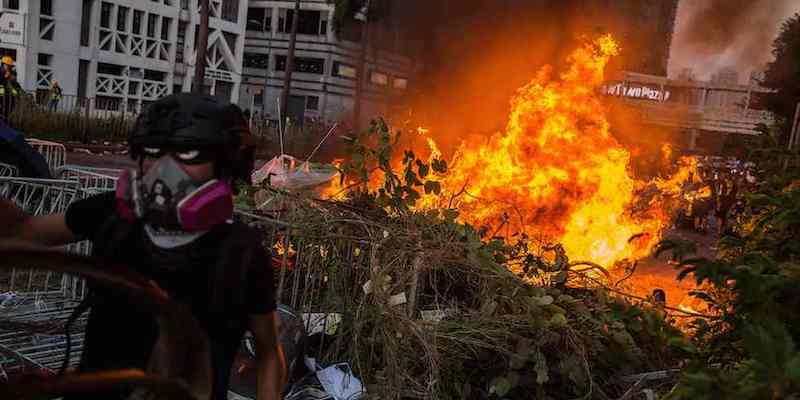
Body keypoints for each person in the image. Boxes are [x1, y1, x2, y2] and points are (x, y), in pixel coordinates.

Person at [0, 93, 286, 400]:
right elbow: (26, 230)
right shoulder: (111, 215)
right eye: (153, 150)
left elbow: (269, 352)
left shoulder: (241, 252)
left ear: (226, 165)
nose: (164, 169)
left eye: (188, 154)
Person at [0, 56, 19, 124]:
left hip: (10, 96)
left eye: (10, 66)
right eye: (8, 65)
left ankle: (6, 123)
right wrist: (5, 77)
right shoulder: (0, 72)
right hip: (1, 97)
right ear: (3, 64)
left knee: (8, 111)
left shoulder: (13, 73)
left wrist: (12, 78)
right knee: (2, 111)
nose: (9, 67)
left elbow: (15, 84)